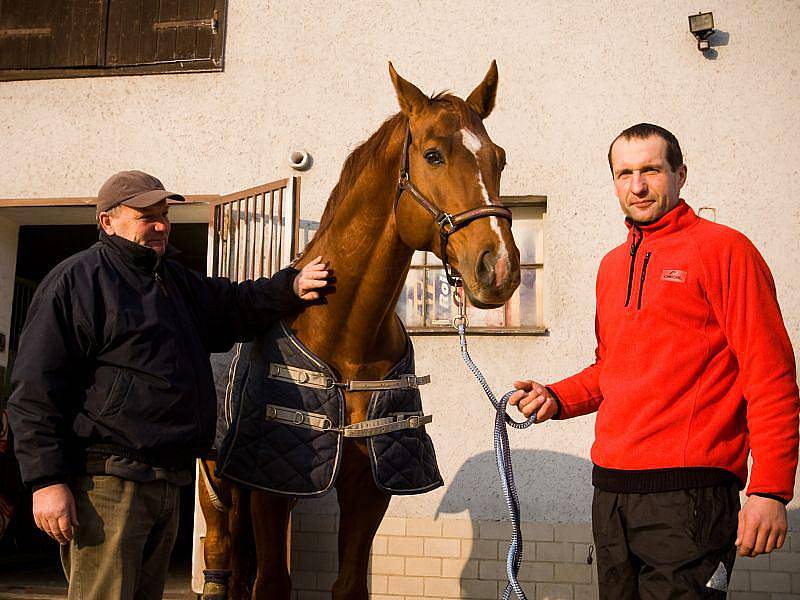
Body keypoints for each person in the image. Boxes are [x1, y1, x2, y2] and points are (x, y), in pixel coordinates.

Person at [7, 170, 331, 600]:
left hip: (165, 481)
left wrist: (290, 285)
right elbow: (34, 389)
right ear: (107, 222)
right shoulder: (77, 282)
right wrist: (46, 481)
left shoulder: (175, 280)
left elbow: (234, 305)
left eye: (163, 214)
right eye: (146, 216)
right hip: (107, 485)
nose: (160, 224)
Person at [510, 124, 799, 598]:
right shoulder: (611, 266)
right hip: (612, 494)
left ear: (679, 174)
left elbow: (770, 375)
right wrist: (555, 396)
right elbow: (612, 368)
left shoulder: (725, 251)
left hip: (690, 497)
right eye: (624, 173)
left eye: (650, 170)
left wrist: (769, 490)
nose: (637, 186)